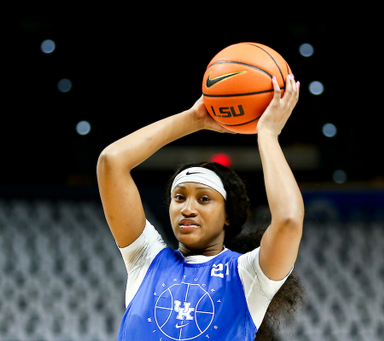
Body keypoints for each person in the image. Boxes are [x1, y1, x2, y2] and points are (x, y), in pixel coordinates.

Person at [97, 74, 304, 341]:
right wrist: (193, 119)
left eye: (204, 199)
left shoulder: (248, 275)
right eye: (179, 197)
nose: (187, 208)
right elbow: (111, 162)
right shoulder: (146, 259)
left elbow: (289, 220)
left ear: (228, 214)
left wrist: (267, 134)